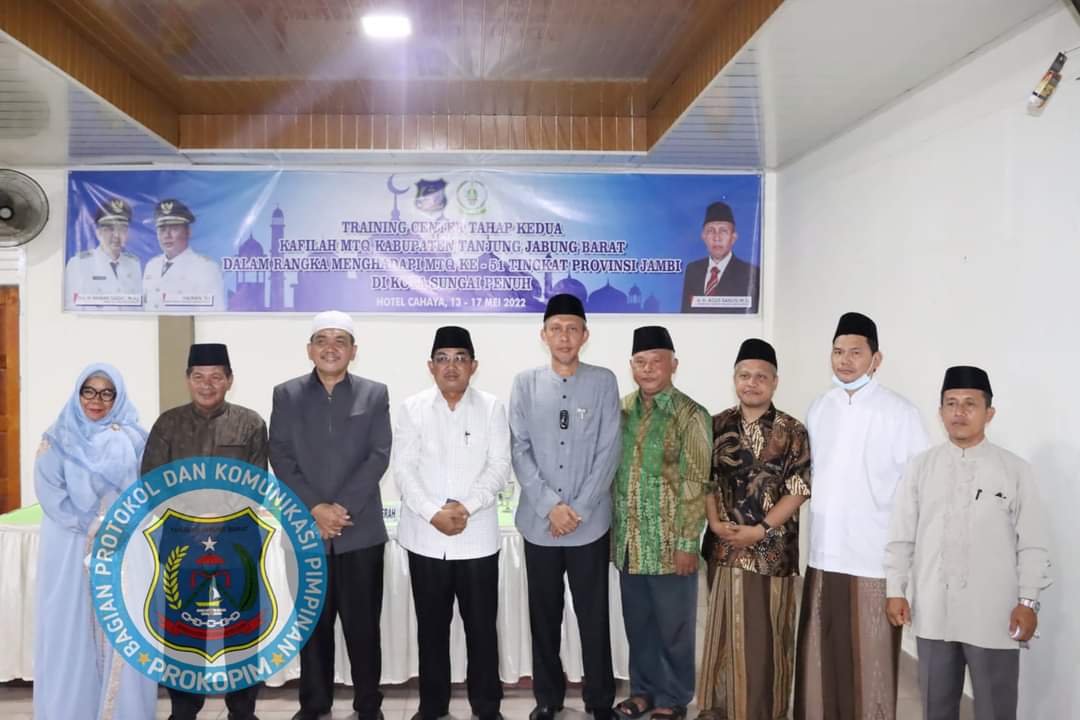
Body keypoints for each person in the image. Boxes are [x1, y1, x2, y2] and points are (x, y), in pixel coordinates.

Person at [884, 366, 1051, 720]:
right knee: (936, 707)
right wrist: (895, 590)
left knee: (995, 709)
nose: (959, 412)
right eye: (951, 403)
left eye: (970, 404)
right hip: (933, 610)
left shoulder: (1015, 470)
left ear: (989, 413)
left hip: (993, 614)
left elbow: (1033, 543)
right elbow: (901, 535)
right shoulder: (920, 468)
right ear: (940, 412)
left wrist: (1028, 601)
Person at [794, 312, 929, 720]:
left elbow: (917, 492)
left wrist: (904, 571)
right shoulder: (821, 407)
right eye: (838, 352)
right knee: (820, 661)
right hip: (823, 554)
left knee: (871, 666)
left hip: (873, 559)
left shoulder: (900, 413)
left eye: (855, 352)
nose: (845, 360)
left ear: (876, 359)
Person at [268, 310, 391, 720]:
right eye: (322, 340)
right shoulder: (286, 394)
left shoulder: (374, 393)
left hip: (360, 530)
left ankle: (368, 704)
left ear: (354, 351)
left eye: (340, 341)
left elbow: (379, 455)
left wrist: (341, 509)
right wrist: (315, 508)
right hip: (306, 531)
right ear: (310, 349)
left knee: (363, 627)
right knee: (312, 626)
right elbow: (280, 455)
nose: (331, 348)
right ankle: (315, 703)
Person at [141, 343, 268, 720]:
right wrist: (194, 520)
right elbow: (152, 482)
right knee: (182, 631)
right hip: (181, 543)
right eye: (199, 377)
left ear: (229, 380)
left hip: (238, 543)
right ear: (187, 380)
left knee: (242, 631)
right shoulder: (168, 424)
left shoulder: (250, 423)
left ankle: (242, 710)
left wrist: (214, 519)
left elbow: (256, 485)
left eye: (216, 377)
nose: (207, 384)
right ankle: (183, 709)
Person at [510, 293, 622, 720]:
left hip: (589, 525)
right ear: (543, 335)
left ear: (585, 335)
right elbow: (519, 449)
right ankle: (547, 698)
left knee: (594, 616)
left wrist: (578, 509)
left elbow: (609, 450)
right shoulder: (525, 383)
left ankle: (600, 699)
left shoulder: (603, 381)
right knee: (544, 616)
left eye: (572, 329)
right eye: (555, 329)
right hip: (539, 524)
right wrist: (550, 507)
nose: (564, 337)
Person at [394, 326, 510, 720]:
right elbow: (404, 469)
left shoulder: (492, 407)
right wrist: (433, 513)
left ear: (474, 365)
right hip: (425, 538)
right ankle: (432, 707)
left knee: (482, 630)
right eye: (443, 358)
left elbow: (499, 465)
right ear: (430, 366)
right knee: (431, 629)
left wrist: (466, 506)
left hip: (477, 538)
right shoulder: (412, 408)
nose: (451, 366)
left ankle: (487, 707)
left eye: (460, 358)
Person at [33, 364, 158, 720]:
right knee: (71, 627)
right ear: (78, 393)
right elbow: (49, 491)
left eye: (107, 393)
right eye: (89, 391)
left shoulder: (136, 438)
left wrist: (119, 523)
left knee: (124, 626)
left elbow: (149, 489)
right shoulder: (58, 437)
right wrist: (90, 525)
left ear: (118, 397)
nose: (96, 400)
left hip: (125, 543)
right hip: (71, 544)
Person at [696, 339, 811, 720]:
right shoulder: (716, 425)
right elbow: (706, 481)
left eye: (761, 377)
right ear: (734, 380)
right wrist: (715, 523)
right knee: (722, 632)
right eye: (744, 375)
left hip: (772, 549)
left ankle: (765, 710)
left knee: (767, 635)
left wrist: (760, 530)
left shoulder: (792, 430)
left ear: (775, 382)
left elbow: (799, 488)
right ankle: (718, 708)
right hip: (724, 546)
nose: (752, 383)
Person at [612, 326, 711, 720]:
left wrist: (688, 542)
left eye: (657, 361)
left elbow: (696, 481)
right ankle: (643, 692)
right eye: (641, 362)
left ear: (674, 364)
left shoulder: (691, 414)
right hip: (629, 543)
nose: (648, 369)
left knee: (675, 628)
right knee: (639, 626)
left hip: (671, 544)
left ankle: (673, 697)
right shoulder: (621, 410)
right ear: (631, 366)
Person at [143, 198, 226, 312]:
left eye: (174, 228)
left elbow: (213, 316)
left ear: (188, 232)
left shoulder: (205, 268)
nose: (167, 235)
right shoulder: (151, 266)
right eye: (162, 229)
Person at [680, 201, 760, 314]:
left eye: (723, 231)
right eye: (710, 231)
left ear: (733, 238)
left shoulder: (749, 273)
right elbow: (686, 314)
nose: (717, 237)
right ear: (703, 236)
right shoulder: (693, 270)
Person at [64, 198, 142, 308]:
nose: (116, 235)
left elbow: (140, 306)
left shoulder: (134, 264)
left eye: (121, 229)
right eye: (110, 228)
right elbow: (70, 307)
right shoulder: (78, 264)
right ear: (98, 232)